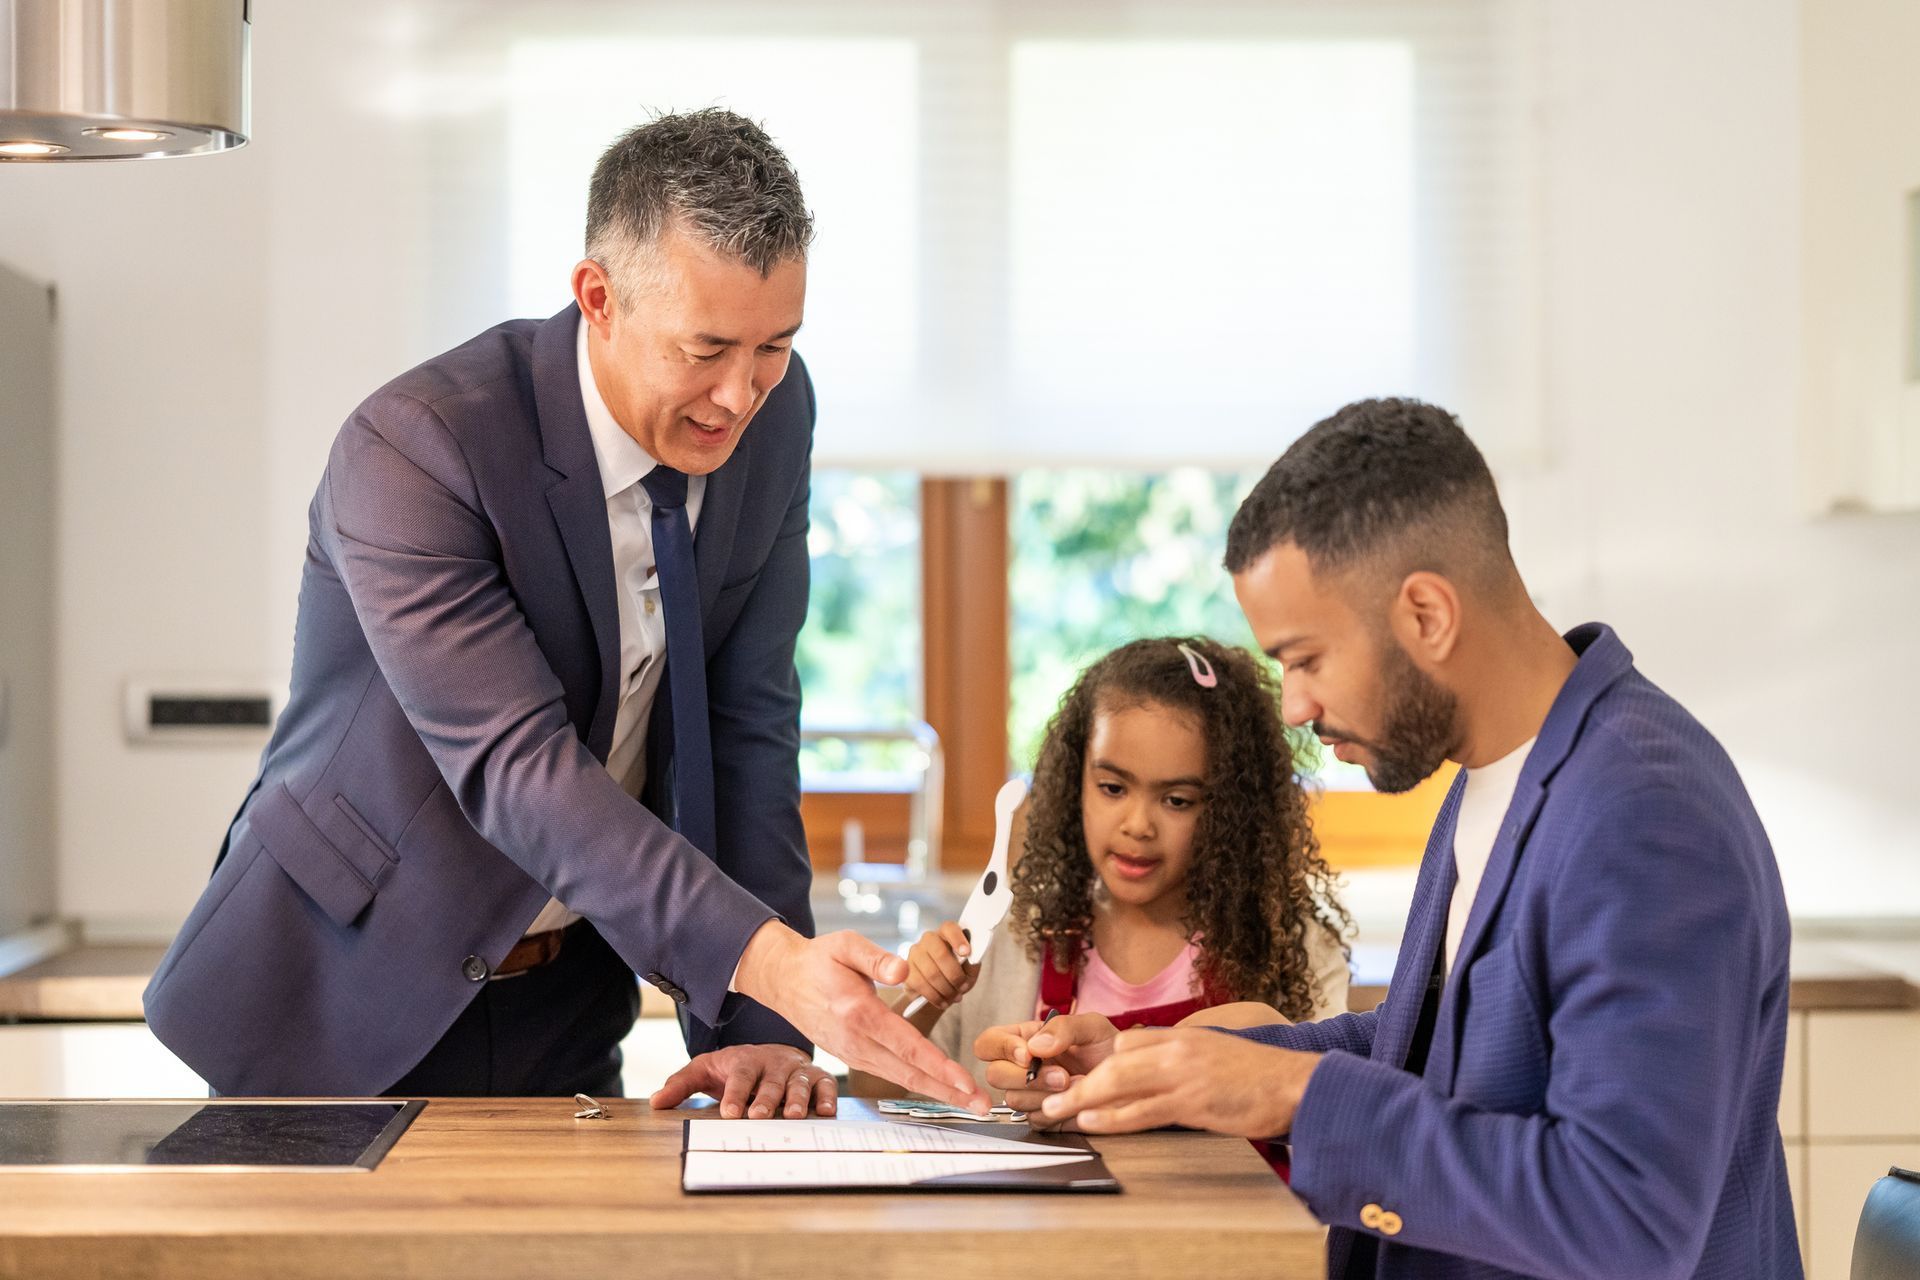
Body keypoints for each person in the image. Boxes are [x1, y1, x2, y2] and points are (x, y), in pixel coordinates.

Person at [142, 109, 985, 1118]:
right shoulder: (417, 445)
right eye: (706, 347)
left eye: (774, 346)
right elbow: (517, 765)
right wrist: (773, 961)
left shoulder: (777, 415)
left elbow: (747, 724)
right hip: (336, 990)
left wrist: (761, 1032)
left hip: (570, 997)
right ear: (598, 298)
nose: (740, 393)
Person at [977, 399, 1801, 1279]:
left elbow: (1626, 1216)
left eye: (1306, 660)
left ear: (1426, 616)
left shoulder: (1644, 813)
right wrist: (1175, 1063)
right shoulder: (1500, 775)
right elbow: (1439, 1050)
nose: (1293, 706)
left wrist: (1299, 1093)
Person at [870, 636, 1350, 1101]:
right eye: (1113, 789)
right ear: (1074, 781)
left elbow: (1328, 1109)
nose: (1138, 825)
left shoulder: (1295, 946)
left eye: (1177, 800)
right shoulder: (1011, 934)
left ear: (1233, 810)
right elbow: (871, 1090)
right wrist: (926, 996)